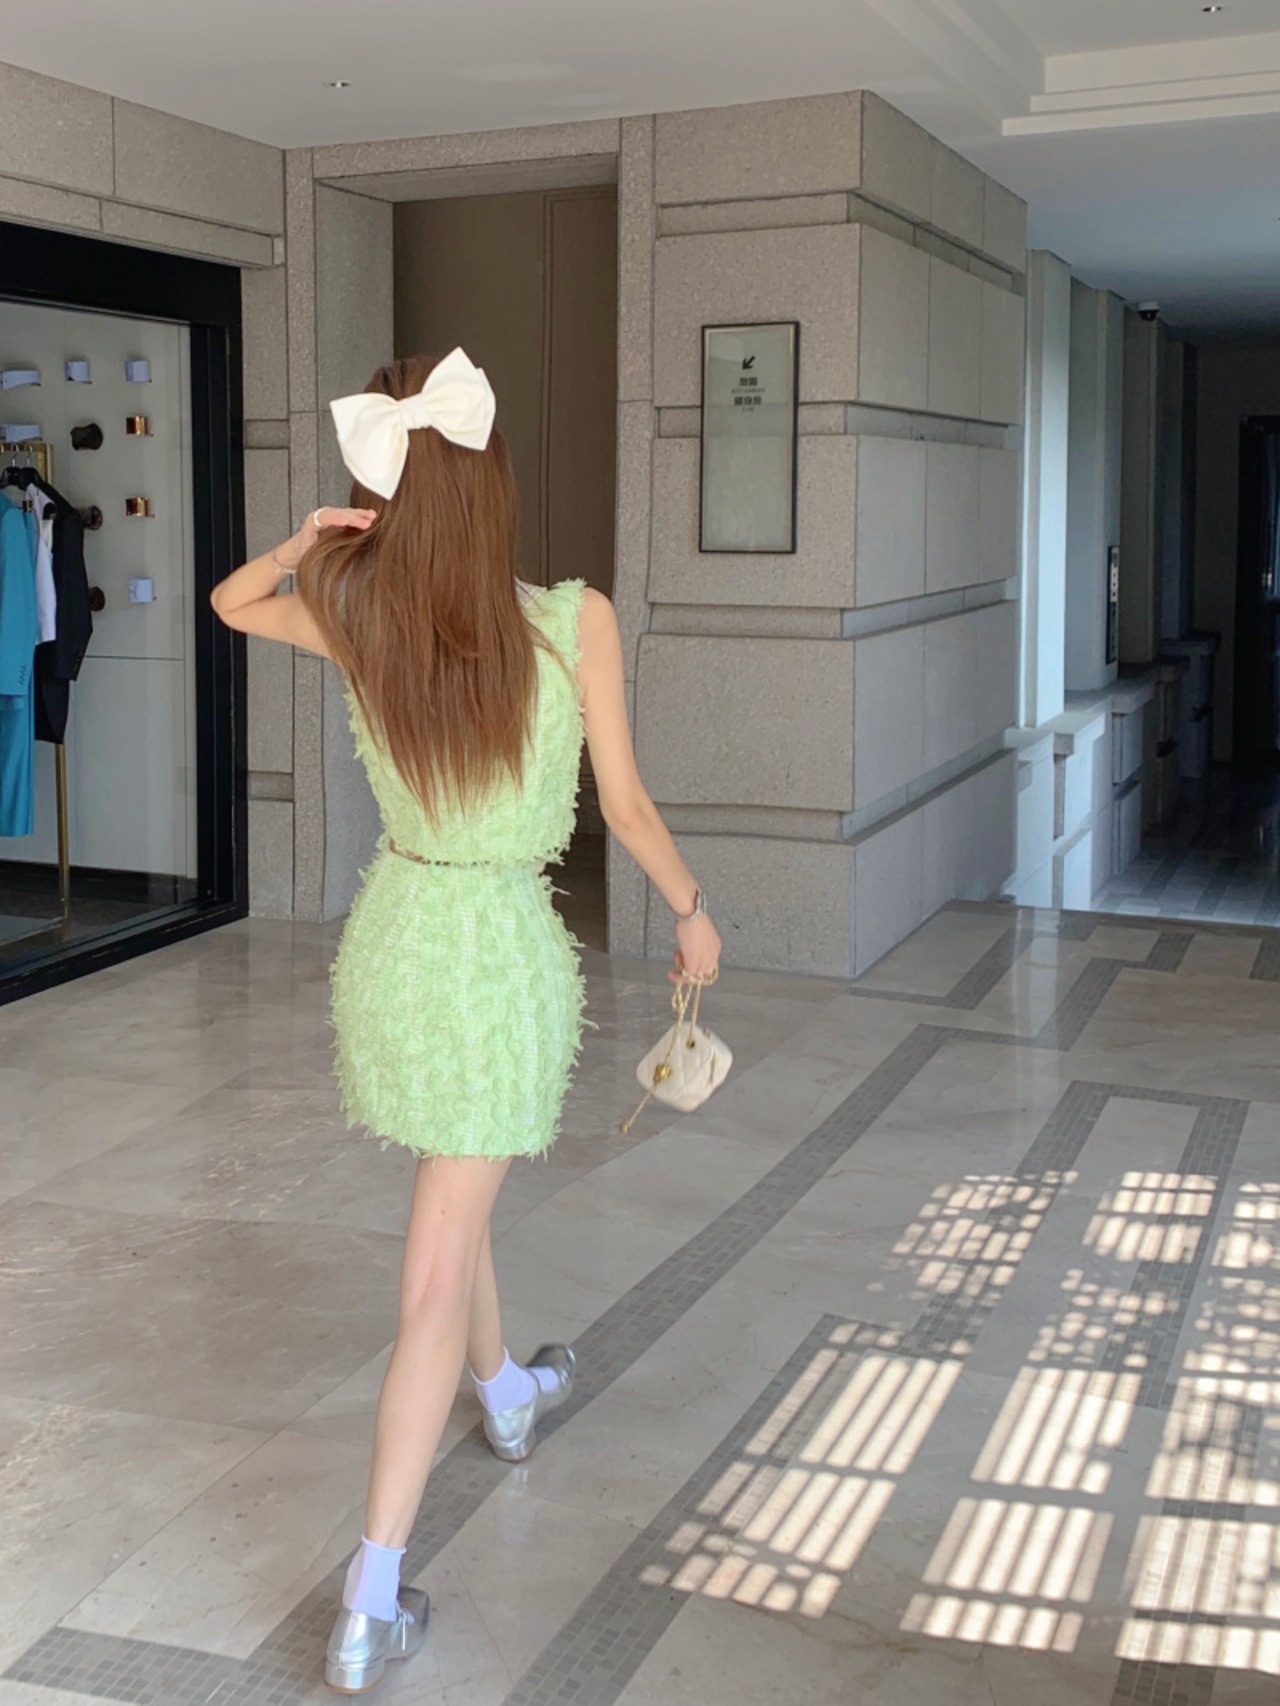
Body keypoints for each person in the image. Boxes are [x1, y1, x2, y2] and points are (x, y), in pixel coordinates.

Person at [210, 348, 722, 1694]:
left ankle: (506, 1396)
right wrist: (691, 909)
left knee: (456, 1186)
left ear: (386, 497)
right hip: (494, 962)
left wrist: (309, 542)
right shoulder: (571, 620)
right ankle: (371, 1596)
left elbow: (231, 601)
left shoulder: (359, 612)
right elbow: (625, 808)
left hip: (397, 943)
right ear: (489, 486)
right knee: (434, 1272)